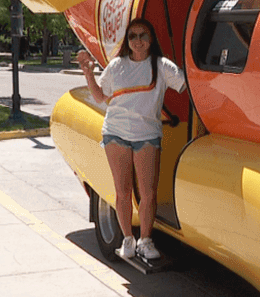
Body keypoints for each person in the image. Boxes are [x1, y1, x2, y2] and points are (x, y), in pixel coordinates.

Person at [76, 18, 186, 261]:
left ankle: (145, 241)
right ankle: (128, 239)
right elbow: (99, 97)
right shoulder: (117, 66)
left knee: (148, 193)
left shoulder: (161, 66)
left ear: (151, 39)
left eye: (143, 36)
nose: (138, 41)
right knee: (123, 191)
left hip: (147, 135)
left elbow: (186, 85)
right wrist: (88, 72)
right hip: (116, 133)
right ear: (127, 41)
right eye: (133, 36)